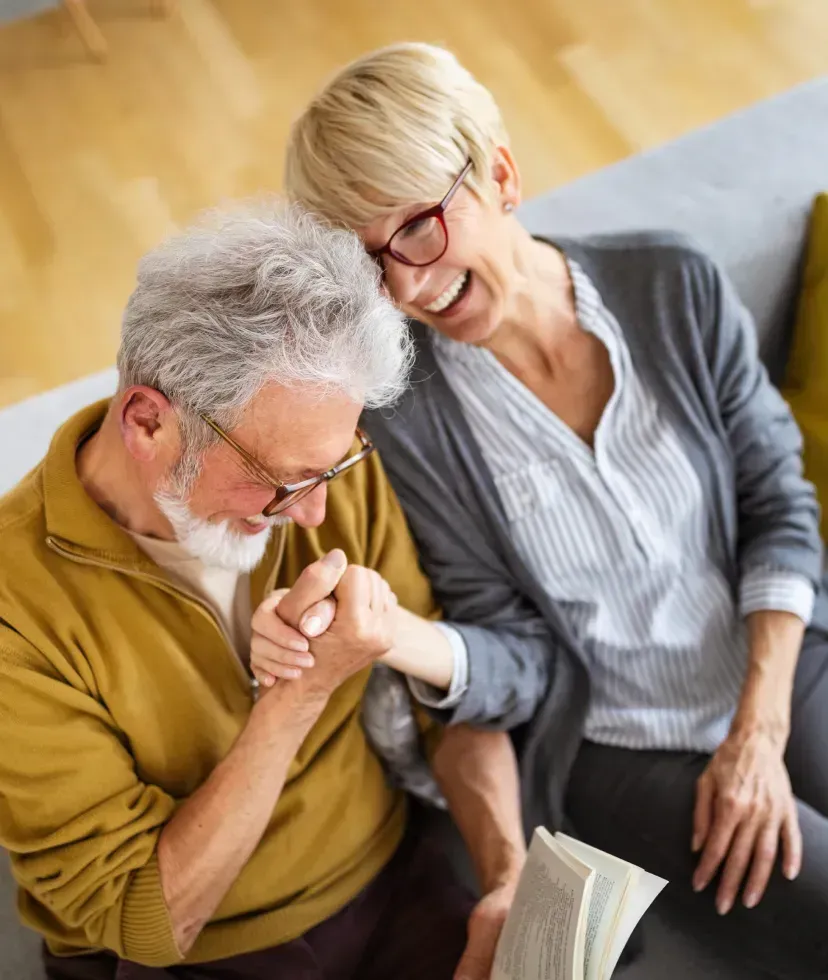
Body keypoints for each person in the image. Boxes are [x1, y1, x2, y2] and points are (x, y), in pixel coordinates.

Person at [279, 42, 828, 977]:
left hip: (775, 665)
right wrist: (399, 637)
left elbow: (777, 502)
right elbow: (510, 647)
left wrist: (759, 731)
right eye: (371, 263)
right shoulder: (406, 425)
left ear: (499, 172)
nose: (407, 286)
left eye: (416, 227)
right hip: (615, 743)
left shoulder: (672, 286)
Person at [0, 201, 528, 980]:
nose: (315, 512)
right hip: (203, 951)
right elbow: (144, 918)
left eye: (333, 469)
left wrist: (508, 876)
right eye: (281, 482)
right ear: (147, 422)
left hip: (394, 882)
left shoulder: (325, 465)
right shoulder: (18, 610)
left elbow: (443, 705)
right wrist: (297, 697)